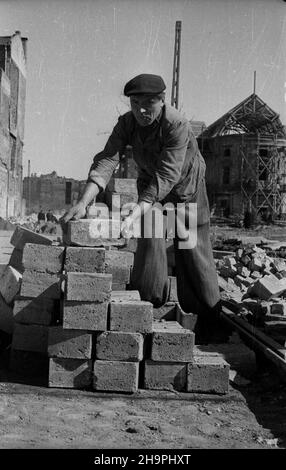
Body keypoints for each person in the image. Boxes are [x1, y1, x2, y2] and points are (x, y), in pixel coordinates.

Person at [61, 73, 226, 343]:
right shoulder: (127, 124)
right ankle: (147, 307)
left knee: (191, 251)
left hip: (186, 191)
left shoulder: (177, 124)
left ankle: (210, 319)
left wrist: (139, 206)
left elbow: (168, 173)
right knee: (149, 239)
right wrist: (83, 201)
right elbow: (106, 161)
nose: (141, 110)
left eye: (148, 103)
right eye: (135, 103)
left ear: (162, 101)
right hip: (151, 188)